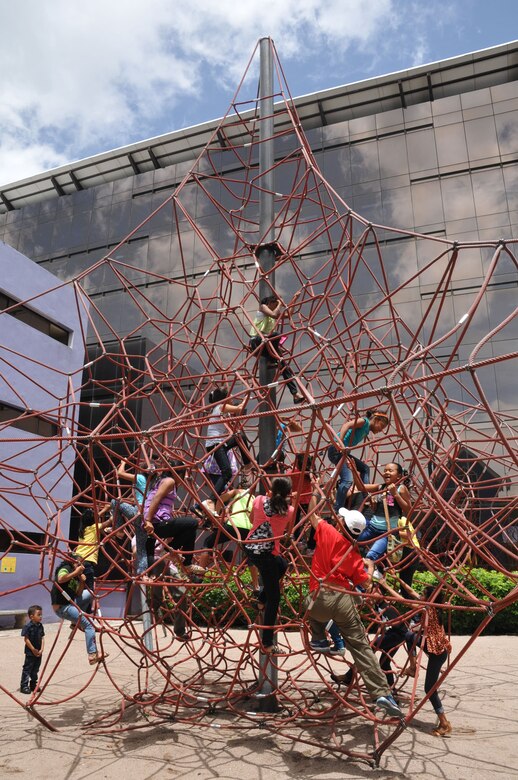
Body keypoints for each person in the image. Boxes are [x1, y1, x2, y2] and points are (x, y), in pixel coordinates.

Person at [305, 502, 403, 718]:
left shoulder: (328, 531)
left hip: (318, 598)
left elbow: (312, 514)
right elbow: (367, 583)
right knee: (361, 647)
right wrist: (369, 566)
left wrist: (310, 485)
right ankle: (382, 694)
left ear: (342, 525)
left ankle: (319, 638)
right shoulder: (354, 553)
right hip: (343, 601)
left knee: (308, 606)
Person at [243, 477, 295, 653]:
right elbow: (288, 531)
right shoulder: (289, 510)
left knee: (283, 564)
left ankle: (260, 600)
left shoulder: (258, 500)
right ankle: (267, 643)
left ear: (271, 490)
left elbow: (251, 520)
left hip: (251, 548)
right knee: (275, 599)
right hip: (267, 555)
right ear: (289, 494)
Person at [402, 583, 452, 737]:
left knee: (429, 689)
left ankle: (444, 723)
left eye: (423, 594)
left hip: (437, 653)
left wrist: (385, 585)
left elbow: (405, 600)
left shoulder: (428, 607)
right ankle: (412, 666)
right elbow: (410, 592)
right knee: (409, 636)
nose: (420, 596)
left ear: (429, 598)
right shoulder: (435, 606)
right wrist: (395, 579)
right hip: (435, 648)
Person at [355, 463, 414, 593]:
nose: (386, 472)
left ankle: (361, 586)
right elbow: (360, 487)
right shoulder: (381, 487)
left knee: (371, 556)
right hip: (372, 527)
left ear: (399, 475)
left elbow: (409, 510)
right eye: (385, 470)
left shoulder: (401, 489)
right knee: (351, 540)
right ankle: (353, 573)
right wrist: (354, 471)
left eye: (390, 471)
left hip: (387, 532)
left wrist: (395, 494)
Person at [141, 462, 203, 580]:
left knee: (189, 530)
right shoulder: (170, 481)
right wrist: (148, 520)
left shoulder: (163, 481)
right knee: (193, 523)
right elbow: (156, 498)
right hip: (156, 523)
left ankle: (152, 574)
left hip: (154, 523)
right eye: (183, 474)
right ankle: (170, 551)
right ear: (177, 473)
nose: (184, 478)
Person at [328, 410, 390, 510]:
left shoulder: (366, 429)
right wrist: (340, 443)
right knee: (347, 480)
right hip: (337, 450)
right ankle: (337, 508)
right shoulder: (364, 421)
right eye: (381, 426)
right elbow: (346, 425)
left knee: (365, 468)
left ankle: (366, 496)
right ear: (377, 419)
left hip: (344, 452)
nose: (380, 430)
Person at [51, 555, 107, 665]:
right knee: (89, 626)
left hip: (70, 604)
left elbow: (79, 593)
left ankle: (75, 621)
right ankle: (92, 654)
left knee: (89, 594)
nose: (82, 566)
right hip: (63, 607)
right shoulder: (66, 567)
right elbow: (61, 579)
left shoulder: (76, 575)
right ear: (73, 561)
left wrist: (81, 581)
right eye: (80, 563)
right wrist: (76, 573)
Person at [248, 294, 304, 404]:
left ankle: (295, 394)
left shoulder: (272, 314)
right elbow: (274, 314)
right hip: (256, 342)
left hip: (266, 345)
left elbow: (289, 314)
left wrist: (294, 299)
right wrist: (279, 304)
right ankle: (270, 359)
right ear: (270, 303)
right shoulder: (263, 307)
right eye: (275, 304)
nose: (276, 307)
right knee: (276, 334)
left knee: (283, 365)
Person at [205, 384, 254, 498]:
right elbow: (239, 409)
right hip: (215, 444)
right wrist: (248, 395)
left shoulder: (220, 410)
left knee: (240, 437)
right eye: (230, 395)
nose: (232, 396)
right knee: (226, 472)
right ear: (224, 399)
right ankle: (210, 501)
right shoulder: (221, 407)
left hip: (217, 443)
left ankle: (247, 464)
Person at [75, 507, 112, 612]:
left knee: (82, 589)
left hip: (78, 561)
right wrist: (112, 510)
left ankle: (80, 615)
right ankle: (83, 614)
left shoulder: (83, 530)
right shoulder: (94, 527)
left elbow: (95, 519)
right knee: (89, 591)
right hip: (87, 562)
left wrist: (104, 510)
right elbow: (110, 521)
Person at [20, 605, 45, 694]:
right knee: (27, 668)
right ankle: (24, 686)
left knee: (36, 669)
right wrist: (33, 649)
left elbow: (42, 638)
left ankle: (33, 684)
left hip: (38, 652)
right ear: (31, 616)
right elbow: (26, 639)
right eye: (39, 615)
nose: (41, 616)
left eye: (41, 614)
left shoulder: (40, 625)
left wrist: (41, 649)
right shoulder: (28, 626)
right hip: (30, 652)